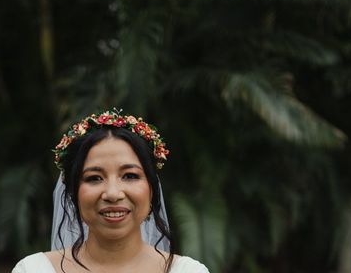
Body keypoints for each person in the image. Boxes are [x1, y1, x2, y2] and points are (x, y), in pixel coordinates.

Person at [12, 108, 209, 273]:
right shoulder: (34, 269)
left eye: (130, 175)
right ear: (73, 193)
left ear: (151, 189)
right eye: (94, 178)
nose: (113, 194)